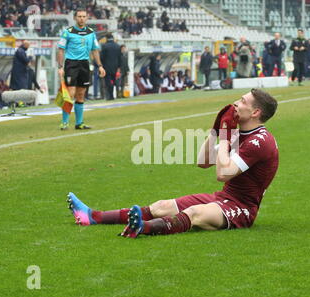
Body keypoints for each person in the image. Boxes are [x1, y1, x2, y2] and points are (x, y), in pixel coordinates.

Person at [66, 88, 279, 239]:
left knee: (194, 214)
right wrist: (215, 131)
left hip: (242, 208)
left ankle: (143, 228)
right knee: (162, 206)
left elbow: (223, 174)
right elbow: (203, 162)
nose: (235, 103)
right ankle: (92, 216)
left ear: (255, 112)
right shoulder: (237, 132)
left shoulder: (259, 141)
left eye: (242, 101)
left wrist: (224, 136)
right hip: (223, 197)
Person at [57, 8, 106, 130]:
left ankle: (79, 123)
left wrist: (100, 66)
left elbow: (94, 50)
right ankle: (64, 122)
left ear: (87, 18)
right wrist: (60, 67)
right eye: (79, 16)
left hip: (84, 64)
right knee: (70, 93)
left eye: (84, 16)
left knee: (81, 94)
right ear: (75, 18)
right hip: (71, 64)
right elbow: (61, 49)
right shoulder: (67, 32)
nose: (81, 18)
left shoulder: (91, 33)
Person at [100, 32, 122, 101]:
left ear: (106, 38)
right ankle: (112, 95)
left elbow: (102, 57)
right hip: (115, 67)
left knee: (108, 81)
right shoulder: (117, 46)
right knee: (113, 80)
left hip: (107, 67)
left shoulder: (104, 46)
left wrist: (101, 66)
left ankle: (110, 95)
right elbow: (120, 58)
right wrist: (119, 67)